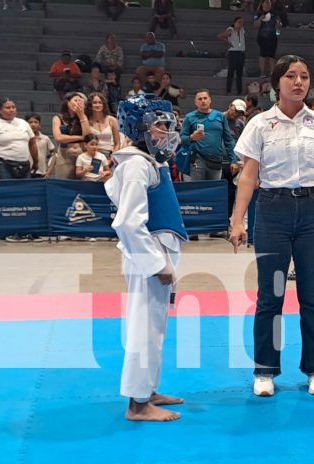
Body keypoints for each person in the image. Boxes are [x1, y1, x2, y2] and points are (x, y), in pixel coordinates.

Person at [229, 54, 314, 397]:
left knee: (312, 296)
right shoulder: (260, 124)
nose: (299, 82)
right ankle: (265, 370)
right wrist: (237, 220)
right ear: (277, 83)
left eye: (304, 76)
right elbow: (248, 176)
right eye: (291, 76)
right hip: (272, 212)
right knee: (270, 296)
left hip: (312, 212)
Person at [107, 95, 187, 422]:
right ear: (139, 129)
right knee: (144, 328)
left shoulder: (148, 161)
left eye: (169, 124)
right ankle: (138, 404)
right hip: (149, 257)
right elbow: (128, 221)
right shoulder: (137, 164)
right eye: (160, 125)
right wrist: (157, 265)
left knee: (154, 328)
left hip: (156, 252)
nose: (167, 131)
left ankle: (148, 389)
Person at [180, 89, 239, 181]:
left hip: (217, 161)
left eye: (205, 98)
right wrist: (191, 137)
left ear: (210, 100)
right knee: (199, 191)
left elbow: (228, 140)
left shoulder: (220, 116)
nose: (203, 101)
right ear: (195, 102)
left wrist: (233, 160)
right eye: (200, 99)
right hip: (198, 160)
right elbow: (182, 140)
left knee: (214, 192)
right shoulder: (189, 117)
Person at [0, 98, 38, 180]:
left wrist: (36, 161)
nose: (11, 110)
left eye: (13, 107)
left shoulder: (24, 123)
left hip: (24, 163)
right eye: (8, 108)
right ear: (0, 110)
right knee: (6, 190)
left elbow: (32, 143)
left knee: (25, 189)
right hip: (3, 164)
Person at [51, 92, 90, 179]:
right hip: (65, 155)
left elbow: (87, 135)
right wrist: (80, 137)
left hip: (82, 154)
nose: (78, 103)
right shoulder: (58, 117)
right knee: (64, 180)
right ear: (67, 103)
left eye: (80, 101)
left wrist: (81, 116)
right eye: (75, 100)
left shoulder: (84, 117)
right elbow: (59, 138)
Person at [86, 92, 121, 160]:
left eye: (100, 102)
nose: (97, 105)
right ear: (90, 105)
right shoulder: (86, 121)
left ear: (103, 104)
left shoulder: (112, 120)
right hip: (92, 155)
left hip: (109, 154)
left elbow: (117, 143)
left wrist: (112, 158)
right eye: (94, 103)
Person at [219, 17, 247, 95]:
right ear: (235, 22)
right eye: (239, 22)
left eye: (242, 22)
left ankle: (239, 91)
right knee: (231, 72)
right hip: (233, 53)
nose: (241, 24)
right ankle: (228, 90)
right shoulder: (231, 30)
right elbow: (220, 36)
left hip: (241, 52)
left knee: (239, 73)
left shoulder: (242, 30)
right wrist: (228, 42)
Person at [254, 0, 281, 78]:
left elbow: (278, 26)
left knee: (272, 56)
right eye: (266, 2)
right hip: (262, 36)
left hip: (272, 37)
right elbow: (255, 26)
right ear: (262, 4)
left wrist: (278, 24)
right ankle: (262, 72)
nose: (268, 4)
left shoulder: (274, 13)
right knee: (263, 54)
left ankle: (272, 72)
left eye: (269, 3)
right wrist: (260, 19)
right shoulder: (258, 13)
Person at [25, 113, 56, 178]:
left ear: (39, 125)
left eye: (36, 122)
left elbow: (54, 155)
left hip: (42, 172)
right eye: (30, 122)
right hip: (25, 172)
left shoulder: (45, 138)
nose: (33, 124)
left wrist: (49, 171)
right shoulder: (22, 138)